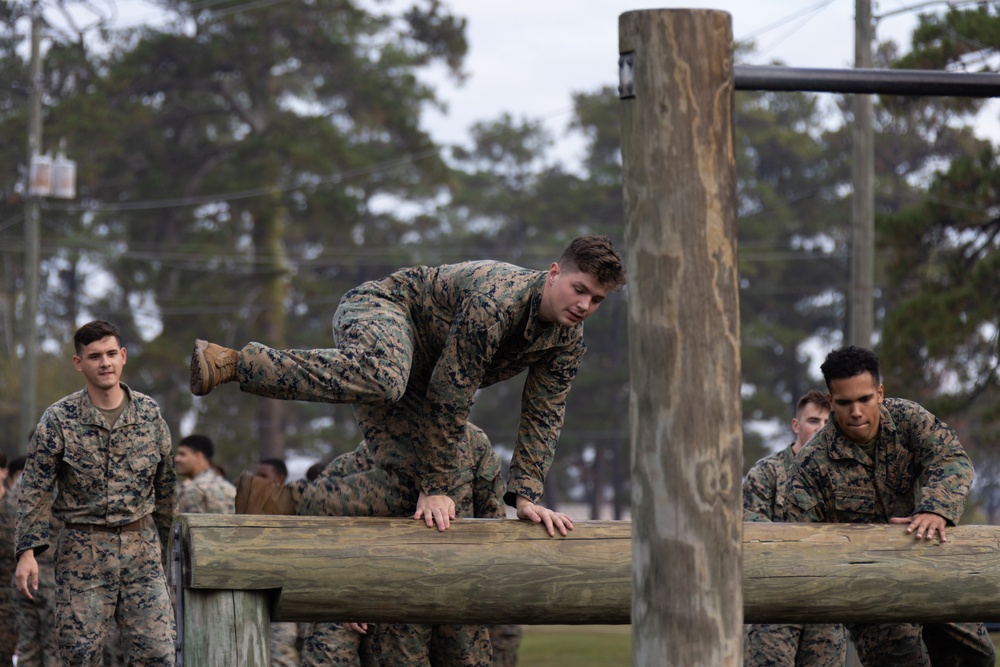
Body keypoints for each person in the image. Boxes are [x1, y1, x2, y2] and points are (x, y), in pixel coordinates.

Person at [190, 235, 626, 538]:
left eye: (597, 300)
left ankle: (276, 500)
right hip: (385, 312)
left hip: (422, 375)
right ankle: (233, 363)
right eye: (579, 289)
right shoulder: (497, 302)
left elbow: (543, 414)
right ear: (554, 273)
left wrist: (527, 495)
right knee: (385, 379)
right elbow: (452, 392)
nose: (584, 305)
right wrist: (435, 482)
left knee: (420, 492)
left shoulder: (567, 339)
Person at [784, 345, 996, 667]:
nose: (856, 411)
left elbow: (951, 458)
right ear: (830, 402)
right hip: (867, 589)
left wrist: (935, 508)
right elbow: (802, 548)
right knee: (904, 659)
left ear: (880, 393)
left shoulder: (908, 419)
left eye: (865, 399)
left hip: (925, 565)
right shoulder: (810, 466)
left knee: (976, 656)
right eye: (844, 402)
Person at [15, 320, 177, 666]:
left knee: (157, 654)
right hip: (82, 553)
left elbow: (166, 488)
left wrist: (168, 547)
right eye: (94, 356)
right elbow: (34, 489)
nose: (104, 363)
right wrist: (27, 551)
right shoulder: (59, 419)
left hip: (141, 551)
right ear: (79, 363)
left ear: (123, 356)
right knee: (80, 655)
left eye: (109, 354)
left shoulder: (149, 415)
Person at [742, 390, 846, 666]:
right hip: (774, 603)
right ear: (796, 425)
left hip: (824, 607)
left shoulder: (843, 478)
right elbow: (747, 526)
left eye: (827, 422)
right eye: (813, 421)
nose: (821, 429)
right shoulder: (766, 473)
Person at [174, 434, 237, 514]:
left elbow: (189, 526)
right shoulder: (230, 488)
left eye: (182, 454)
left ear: (198, 457)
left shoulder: (193, 491)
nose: (176, 459)